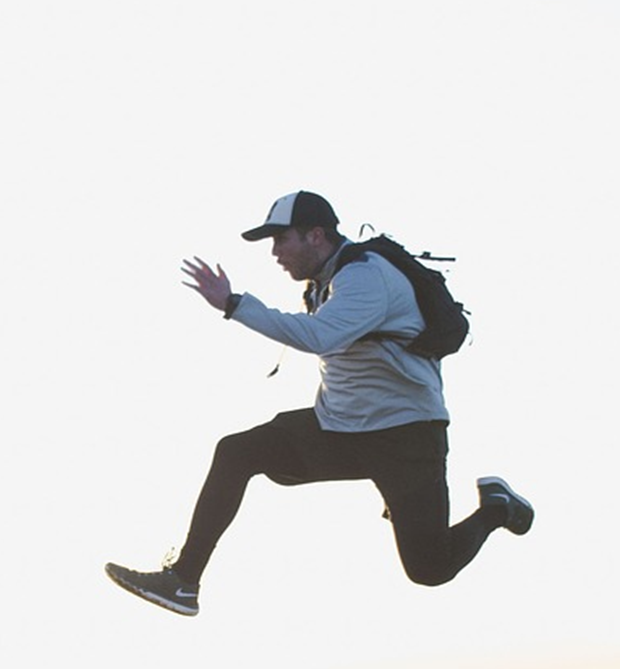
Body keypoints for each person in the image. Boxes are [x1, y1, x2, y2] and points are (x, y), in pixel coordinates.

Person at [106, 190, 533, 617]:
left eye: (281, 239)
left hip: (406, 438)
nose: (275, 253)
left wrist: (235, 305)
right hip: (342, 430)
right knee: (238, 451)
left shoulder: (366, 275)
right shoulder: (325, 281)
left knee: (429, 568)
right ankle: (183, 581)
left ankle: (495, 508)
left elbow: (320, 338)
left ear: (315, 235)